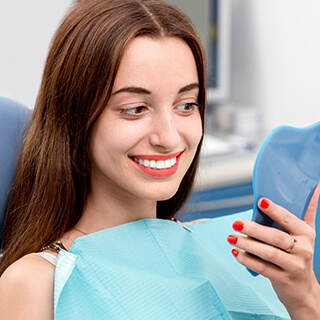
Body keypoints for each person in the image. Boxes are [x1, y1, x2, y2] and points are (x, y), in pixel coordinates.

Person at [0, 0, 319, 319]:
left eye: (186, 105)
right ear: (74, 118)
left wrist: (304, 297)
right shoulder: (36, 283)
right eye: (135, 109)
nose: (168, 138)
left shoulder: (231, 249)